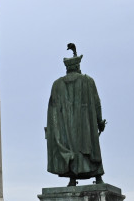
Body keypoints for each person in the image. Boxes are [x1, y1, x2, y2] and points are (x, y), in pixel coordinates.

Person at [45, 44, 106, 186]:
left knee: (71, 147)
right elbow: (97, 103)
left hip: (65, 126)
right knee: (90, 146)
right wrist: (99, 121)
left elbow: (52, 109)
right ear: (78, 66)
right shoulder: (88, 81)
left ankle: (72, 178)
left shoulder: (57, 84)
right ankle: (98, 177)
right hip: (86, 125)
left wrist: (55, 131)